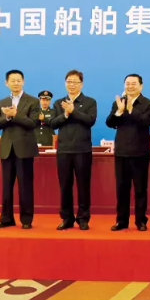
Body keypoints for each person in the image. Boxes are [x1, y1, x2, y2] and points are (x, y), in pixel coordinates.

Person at [0, 70, 39, 230]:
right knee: (6, 186)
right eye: (12, 80)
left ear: (23, 82)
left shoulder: (33, 101)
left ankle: (26, 219)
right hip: (6, 149)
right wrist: (7, 117)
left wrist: (15, 115)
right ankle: (6, 219)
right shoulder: (2, 102)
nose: (16, 83)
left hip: (25, 148)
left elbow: (33, 123)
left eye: (18, 80)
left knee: (25, 185)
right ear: (7, 83)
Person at [106, 74, 150, 232]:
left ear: (141, 86)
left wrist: (130, 110)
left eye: (134, 84)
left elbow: (146, 121)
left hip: (140, 153)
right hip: (121, 152)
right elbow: (109, 123)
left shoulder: (148, 103)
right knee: (121, 189)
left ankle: (141, 221)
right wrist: (119, 112)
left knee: (140, 189)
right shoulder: (118, 102)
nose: (130, 86)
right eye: (127, 83)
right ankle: (121, 221)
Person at [49, 70, 97, 231]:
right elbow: (53, 123)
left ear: (81, 84)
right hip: (64, 150)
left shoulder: (90, 102)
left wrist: (73, 111)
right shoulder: (58, 103)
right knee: (65, 186)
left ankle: (83, 218)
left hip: (82, 150)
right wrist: (65, 114)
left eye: (75, 82)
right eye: (69, 81)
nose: (71, 85)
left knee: (83, 185)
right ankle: (67, 218)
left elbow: (90, 120)